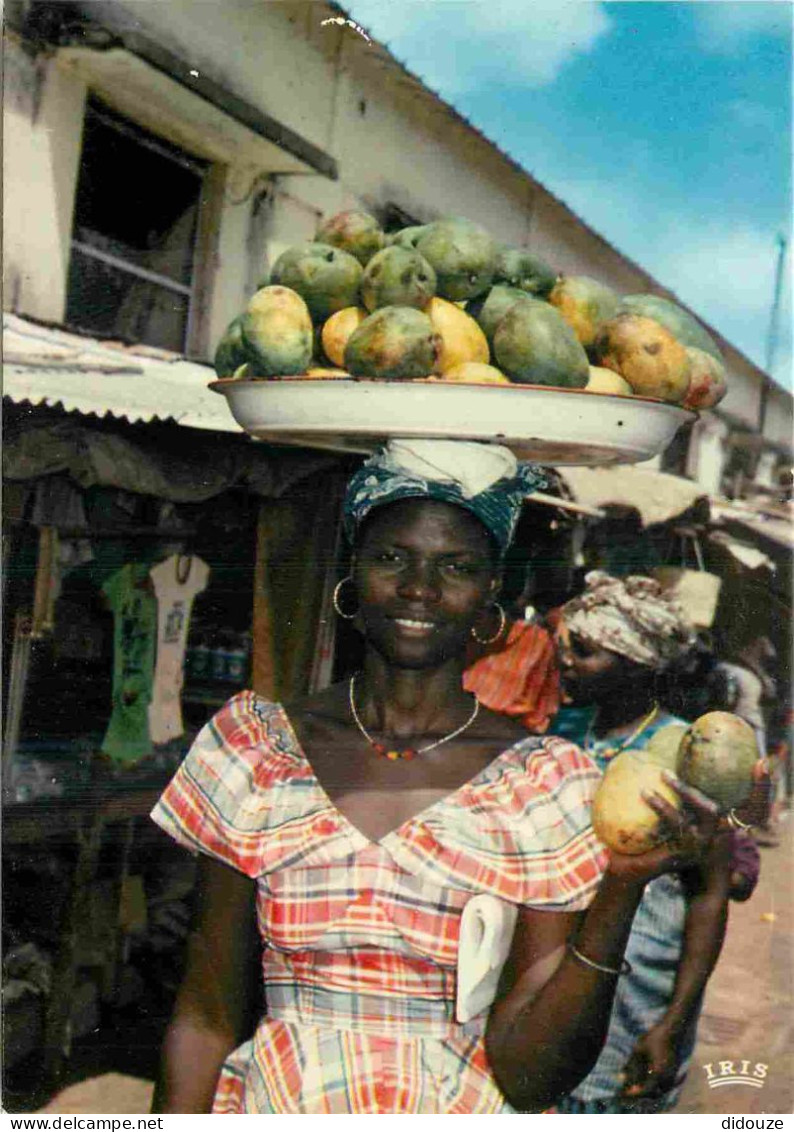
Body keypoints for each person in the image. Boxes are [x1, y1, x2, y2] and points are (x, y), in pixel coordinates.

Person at [149, 442, 729, 1115]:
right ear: (352, 576)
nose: (419, 588)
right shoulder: (256, 750)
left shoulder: (543, 786)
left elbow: (531, 1074)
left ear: (490, 597)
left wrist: (619, 891)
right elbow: (204, 1018)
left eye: (455, 567)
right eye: (392, 558)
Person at [550, 571, 762, 1114]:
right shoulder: (560, 732)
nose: (565, 661)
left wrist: (674, 1021)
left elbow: (710, 897)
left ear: (637, 664)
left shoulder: (690, 752)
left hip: (635, 1001)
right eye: (565, 646)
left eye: (586, 650)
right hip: (554, 989)